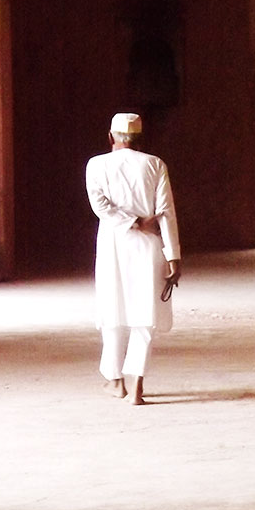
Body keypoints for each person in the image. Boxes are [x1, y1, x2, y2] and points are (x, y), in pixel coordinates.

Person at [85, 112, 181, 405]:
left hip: (114, 244)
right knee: (144, 316)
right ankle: (136, 386)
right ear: (140, 140)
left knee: (112, 312)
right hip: (149, 246)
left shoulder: (96, 164)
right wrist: (173, 256)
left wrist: (130, 221)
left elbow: (99, 205)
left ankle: (115, 382)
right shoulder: (155, 164)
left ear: (111, 136)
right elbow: (166, 212)